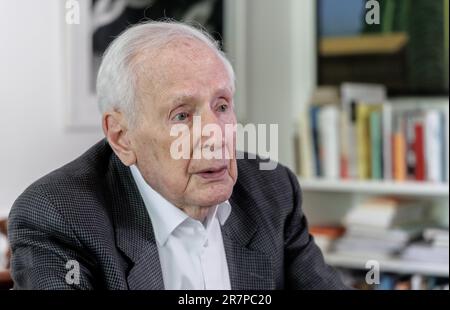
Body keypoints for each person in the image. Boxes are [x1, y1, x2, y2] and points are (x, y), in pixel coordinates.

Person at [8, 21, 347, 290]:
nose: (215, 135)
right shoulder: (58, 216)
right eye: (182, 115)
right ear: (122, 137)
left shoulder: (271, 190)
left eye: (222, 106)